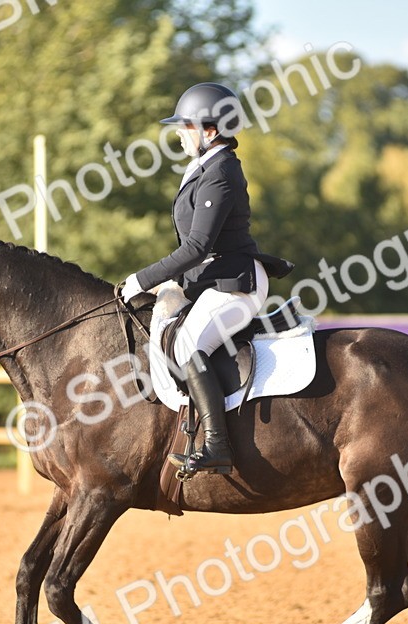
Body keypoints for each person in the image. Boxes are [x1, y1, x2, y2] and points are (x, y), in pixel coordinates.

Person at [120, 82, 291, 476]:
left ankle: (217, 445)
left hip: (236, 286)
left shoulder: (222, 172)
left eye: (186, 126)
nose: (179, 133)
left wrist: (141, 280)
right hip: (211, 281)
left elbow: (196, 246)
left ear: (210, 130)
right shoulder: (204, 168)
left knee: (188, 347)